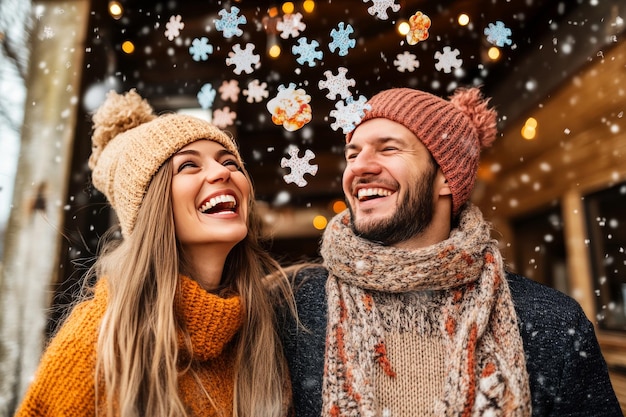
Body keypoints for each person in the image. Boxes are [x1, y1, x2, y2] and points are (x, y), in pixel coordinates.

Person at [280, 87, 623, 416]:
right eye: (352, 154)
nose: (358, 167)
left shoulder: (552, 324)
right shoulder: (296, 310)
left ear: (446, 176)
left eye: (388, 149)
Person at [16, 89, 293, 417]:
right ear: (150, 208)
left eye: (230, 161)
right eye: (188, 165)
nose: (222, 173)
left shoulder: (267, 328)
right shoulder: (98, 341)